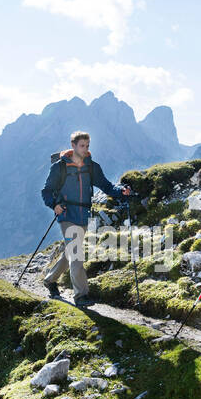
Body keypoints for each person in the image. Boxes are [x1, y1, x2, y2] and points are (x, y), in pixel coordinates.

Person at [41, 130, 131, 306]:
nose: (85, 149)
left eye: (87, 146)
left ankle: (50, 279)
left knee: (71, 253)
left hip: (83, 216)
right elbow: (46, 191)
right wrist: (54, 205)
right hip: (66, 214)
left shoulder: (92, 167)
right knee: (77, 255)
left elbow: (106, 186)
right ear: (73, 145)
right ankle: (81, 295)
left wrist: (121, 191)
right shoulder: (59, 167)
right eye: (82, 145)